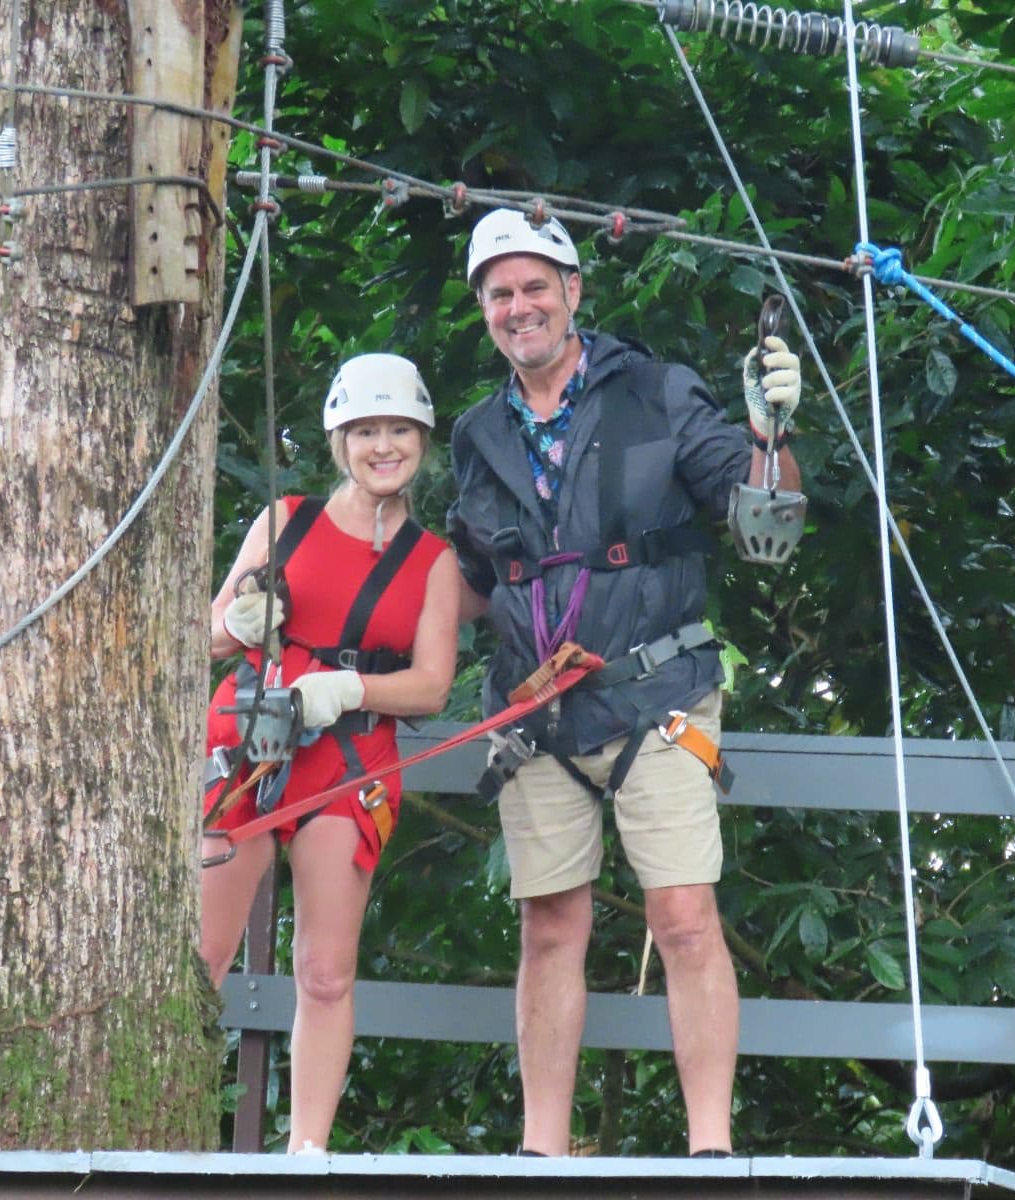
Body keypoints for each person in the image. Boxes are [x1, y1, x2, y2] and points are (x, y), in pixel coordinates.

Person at [446, 208, 802, 1157]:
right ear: (484, 311)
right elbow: (470, 582)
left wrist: (770, 434)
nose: (519, 308)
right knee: (550, 925)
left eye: (534, 288)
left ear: (573, 292)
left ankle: (711, 1148)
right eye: (499, 294)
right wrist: (331, 624)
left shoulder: (656, 391)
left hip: (659, 691)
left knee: (683, 915)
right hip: (534, 707)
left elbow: (762, 516)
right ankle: (541, 1152)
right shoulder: (479, 433)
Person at [200, 353, 462, 1154]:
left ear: (421, 439)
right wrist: (242, 626)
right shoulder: (286, 521)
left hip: (347, 759)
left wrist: (350, 692)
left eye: (399, 431)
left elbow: (431, 686)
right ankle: (170, 1127)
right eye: (367, 432)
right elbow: (210, 636)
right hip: (250, 735)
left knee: (324, 971)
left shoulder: (433, 562)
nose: (384, 447)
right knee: (200, 958)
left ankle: (304, 1151)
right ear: (340, 439)